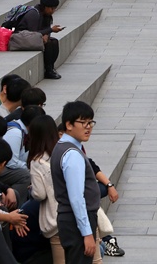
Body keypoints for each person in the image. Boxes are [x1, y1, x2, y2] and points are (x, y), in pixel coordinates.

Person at [52, 101, 100, 264]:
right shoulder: (72, 154)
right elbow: (76, 198)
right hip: (75, 221)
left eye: (90, 122)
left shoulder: (62, 147)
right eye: (83, 122)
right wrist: (87, 233)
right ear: (69, 125)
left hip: (71, 220)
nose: (88, 127)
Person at [12, 0, 64, 80]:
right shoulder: (33, 14)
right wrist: (50, 30)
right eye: (52, 8)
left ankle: (50, 67)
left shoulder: (47, 16)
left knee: (54, 42)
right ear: (46, 7)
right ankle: (48, 70)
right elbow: (33, 33)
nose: (53, 11)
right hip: (22, 38)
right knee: (49, 44)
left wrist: (47, 34)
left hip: (33, 36)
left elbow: (44, 30)